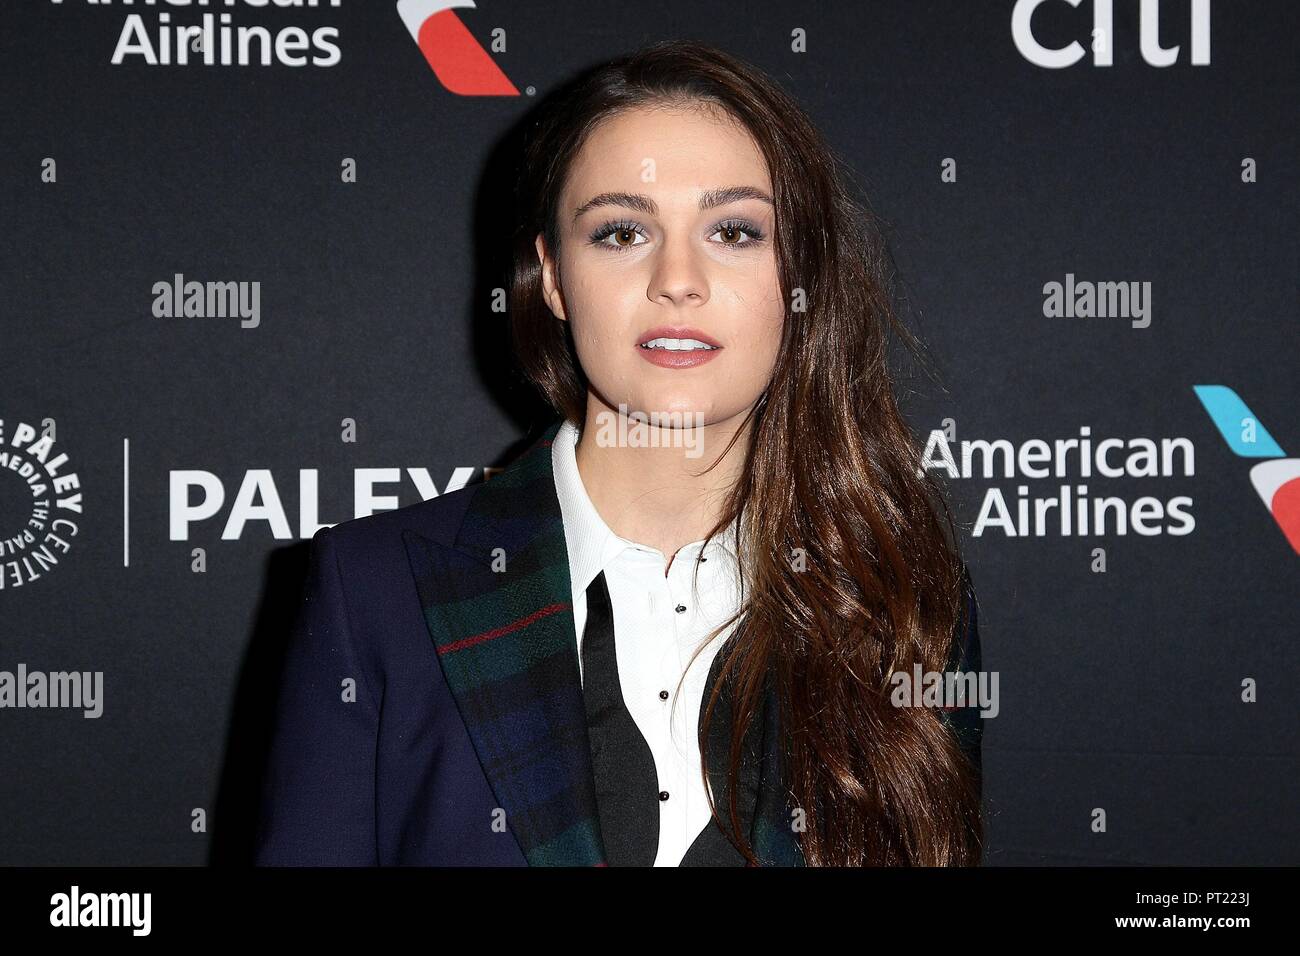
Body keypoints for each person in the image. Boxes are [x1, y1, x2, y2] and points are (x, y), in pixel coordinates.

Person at [254, 38, 982, 867]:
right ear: (553, 278)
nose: (679, 277)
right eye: (622, 231)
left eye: (735, 230)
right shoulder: (373, 593)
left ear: (799, 275)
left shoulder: (899, 598)